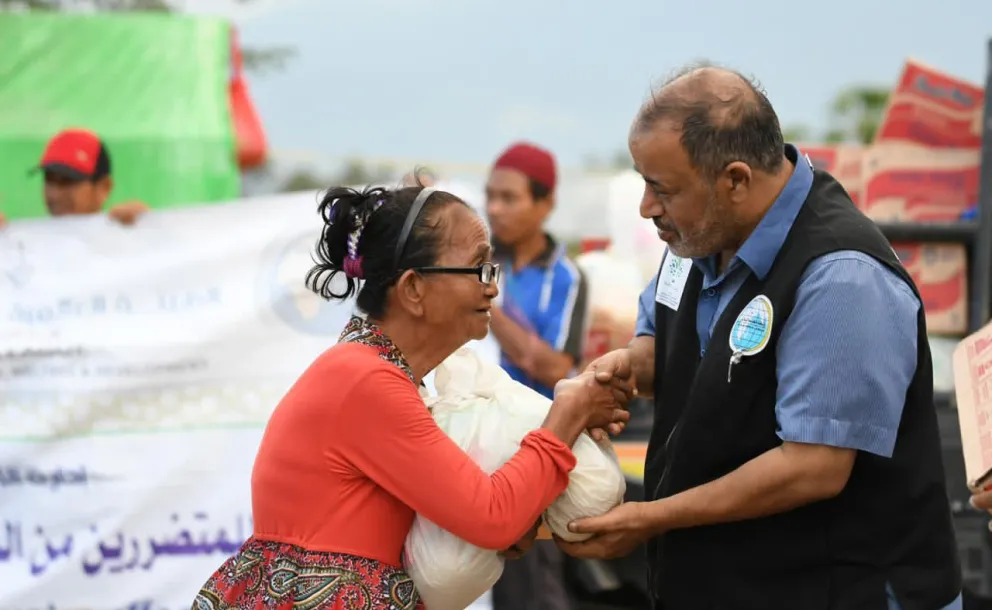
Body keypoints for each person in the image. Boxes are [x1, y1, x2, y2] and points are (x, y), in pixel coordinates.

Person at [556, 64, 963, 610]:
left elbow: (811, 468)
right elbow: (668, 346)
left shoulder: (840, 275)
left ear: (736, 180)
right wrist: (620, 372)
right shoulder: (696, 235)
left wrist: (650, 518)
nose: (646, 207)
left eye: (662, 189)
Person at [192, 183, 632, 609]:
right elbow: (494, 517)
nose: (492, 287)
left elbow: (478, 521)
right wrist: (569, 414)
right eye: (478, 268)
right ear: (413, 290)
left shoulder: (373, 376)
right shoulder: (365, 383)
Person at [485, 142, 588, 610]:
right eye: (490, 196)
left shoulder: (566, 277)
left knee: (532, 584)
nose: (494, 208)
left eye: (509, 198)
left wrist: (480, 302)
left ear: (545, 204)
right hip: (474, 446)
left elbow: (552, 366)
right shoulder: (478, 257)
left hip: (534, 452)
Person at [0, 128, 148, 228]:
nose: (55, 194)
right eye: (49, 180)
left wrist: (147, 229)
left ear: (104, 188)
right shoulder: (29, 247)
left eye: (68, 181)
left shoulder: (122, 238)